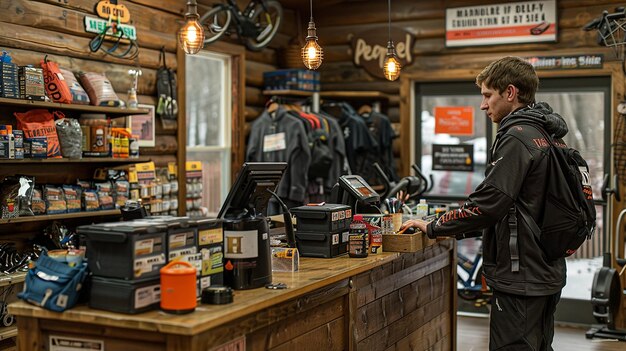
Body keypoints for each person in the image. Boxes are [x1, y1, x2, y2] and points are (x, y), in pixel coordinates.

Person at [401, 56, 568, 351]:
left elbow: (490, 204)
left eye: (487, 95)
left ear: (510, 93)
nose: (483, 105)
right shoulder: (547, 135)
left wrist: (433, 226)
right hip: (544, 269)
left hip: (522, 275)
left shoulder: (517, 137)